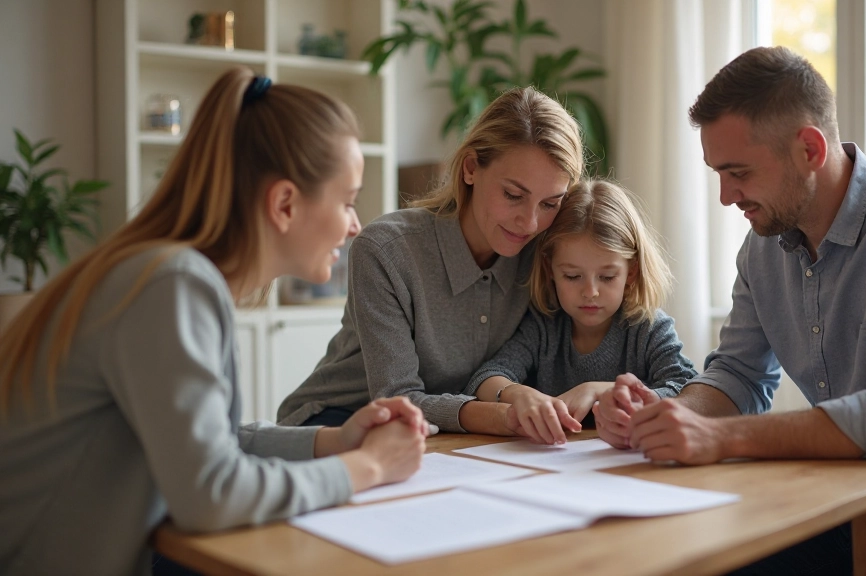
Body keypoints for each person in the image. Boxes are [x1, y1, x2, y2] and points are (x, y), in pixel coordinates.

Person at [595, 46, 866, 574]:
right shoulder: (762, 247)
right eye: (717, 174)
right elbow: (736, 376)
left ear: (809, 149)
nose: (727, 196)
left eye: (739, 172)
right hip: (845, 504)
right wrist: (671, 415)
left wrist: (720, 438)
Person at [0, 68, 428, 576]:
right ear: (285, 203)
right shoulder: (172, 286)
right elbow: (212, 492)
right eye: (348, 201)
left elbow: (215, 443)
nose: (356, 224)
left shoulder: (168, 274)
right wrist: (369, 467)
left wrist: (333, 442)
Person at [277, 87, 586, 436]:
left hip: (455, 433)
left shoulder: (547, 255)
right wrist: (505, 415)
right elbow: (399, 399)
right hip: (340, 418)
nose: (530, 223)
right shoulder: (386, 251)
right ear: (471, 168)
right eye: (513, 195)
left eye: (550, 204)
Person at [464, 178, 697, 445]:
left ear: (631, 271)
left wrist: (601, 391)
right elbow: (485, 378)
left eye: (607, 277)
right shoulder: (545, 327)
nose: (590, 292)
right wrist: (518, 394)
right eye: (572, 276)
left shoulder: (649, 328)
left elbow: (688, 389)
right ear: (550, 269)